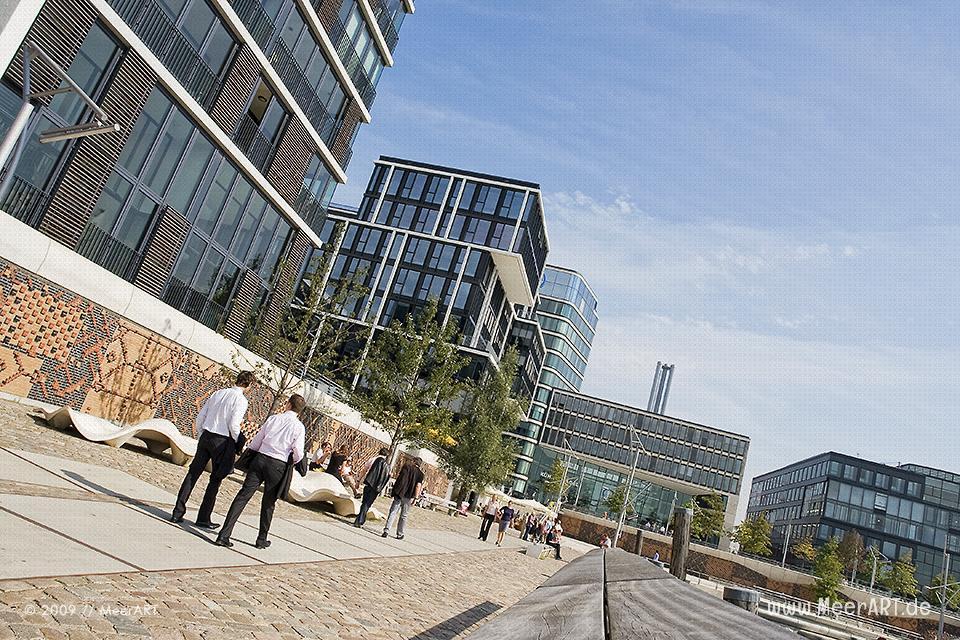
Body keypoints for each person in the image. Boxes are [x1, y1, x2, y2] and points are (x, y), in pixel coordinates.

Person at [215, 394, 306, 549]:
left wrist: (250, 456)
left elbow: (257, 440)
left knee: (243, 496)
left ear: (289, 404)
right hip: (278, 464)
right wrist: (296, 461)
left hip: (261, 459)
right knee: (269, 503)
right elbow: (298, 451)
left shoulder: (273, 419)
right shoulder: (298, 427)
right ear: (300, 410)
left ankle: (224, 534)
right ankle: (261, 538)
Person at [171, 371, 254, 528]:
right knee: (215, 480)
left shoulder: (218, 393)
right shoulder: (240, 400)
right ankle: (203, 518)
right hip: (222, 440)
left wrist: (203, 433)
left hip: (207, 435)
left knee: (192, 474)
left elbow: (201, 416)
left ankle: (177, 512)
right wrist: (238, 440)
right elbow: (233, 424)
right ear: (249, 385)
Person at [381, 457, 424, 540]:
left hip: (399, 493)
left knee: (393, 512)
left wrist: (395, 490)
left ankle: (386, 530)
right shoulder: (420, 474)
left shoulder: (406, 467)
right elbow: (418, 486)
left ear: (414, 461)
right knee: (404, 515)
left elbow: (400, 478)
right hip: (408, 496)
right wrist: (416, 498)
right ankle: (400, 534)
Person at [354, 447, 389, 528]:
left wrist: (358, 480)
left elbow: (364, 470)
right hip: (376, 486)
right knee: (367, 503)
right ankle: (359, 520)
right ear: (387, 455)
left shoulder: (372, 459)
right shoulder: (386, 464)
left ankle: (360, 519)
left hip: (368, 483)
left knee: (364, 502)